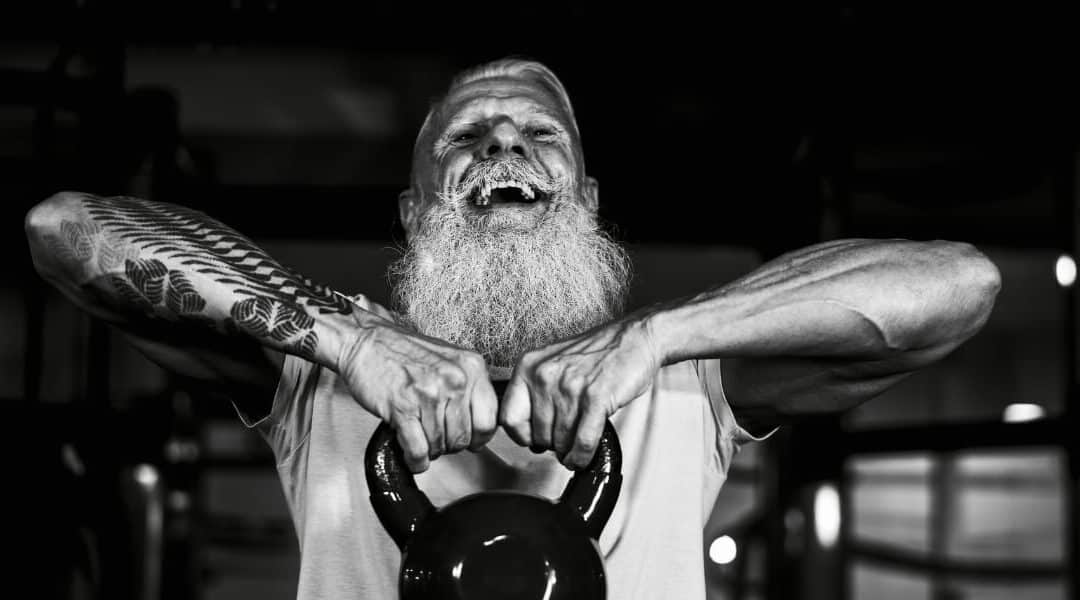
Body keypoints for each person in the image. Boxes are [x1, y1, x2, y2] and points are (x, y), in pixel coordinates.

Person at [25, 57, 1001, 599]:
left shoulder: (681, 381)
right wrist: (341, 336)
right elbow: (63, 232)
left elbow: (959, 285)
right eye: (467, 137)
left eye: (541, 136)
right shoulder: (318, 377)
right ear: (415, 213)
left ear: (585, 195)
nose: (503, 143)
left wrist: (659, 337)